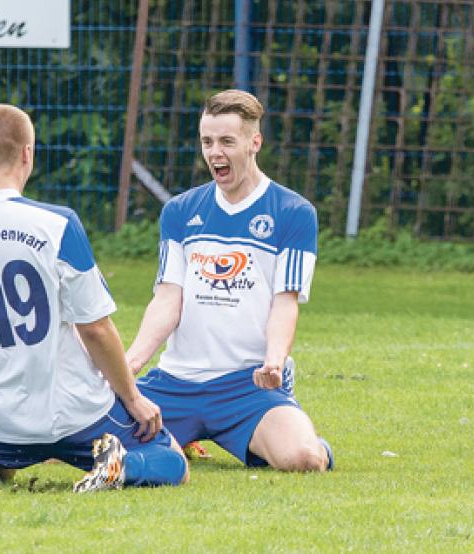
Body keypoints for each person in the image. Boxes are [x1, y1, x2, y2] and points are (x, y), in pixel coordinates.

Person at [0, 104, 188, 493]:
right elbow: (95, 329)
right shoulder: (58, 226)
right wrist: (133, 398)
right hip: (76, 415)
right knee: (174, 461)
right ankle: (120, 465)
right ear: (28, 153)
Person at [126, 89, 333, 473]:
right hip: (176, 383)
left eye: (226, 141)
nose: (214, 152)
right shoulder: (180, 211)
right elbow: (169, 298)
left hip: (246, 387)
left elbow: (285, 303)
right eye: (207, 142)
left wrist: (273, 362)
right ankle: (178, 435)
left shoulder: (293, 212)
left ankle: (296, 436)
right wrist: (130, 363)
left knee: (304, 460)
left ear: (255, 142)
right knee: (85, 438)